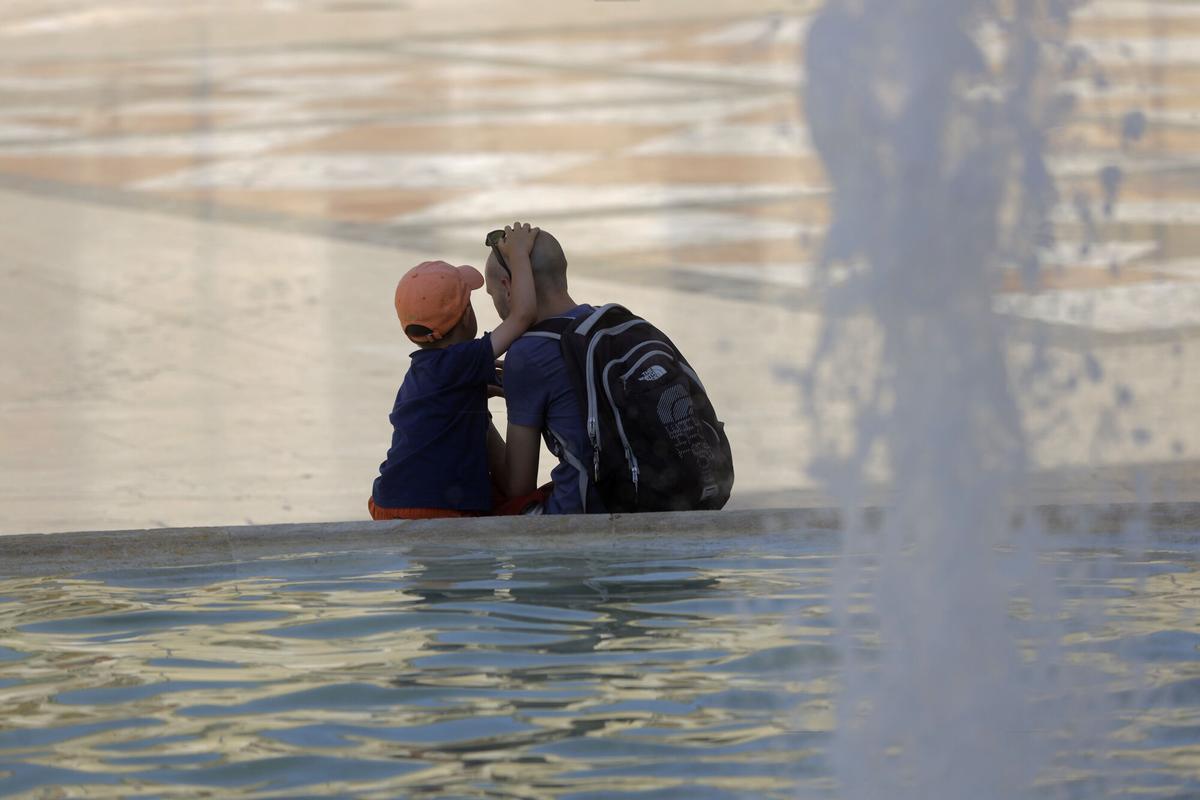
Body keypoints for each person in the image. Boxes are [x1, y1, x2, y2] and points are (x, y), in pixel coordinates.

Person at [369, 222, 539, 520]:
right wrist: (519, 255)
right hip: (433, 506)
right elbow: (523, 315)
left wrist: (477, 395)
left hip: (390, 497)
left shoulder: (423, 368)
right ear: (466, 318)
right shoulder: (462, 359)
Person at [483, 228, 606, 515]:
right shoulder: (604, 322)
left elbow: (517, 487)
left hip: (586, 514)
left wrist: (477, 412)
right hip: (647, 492)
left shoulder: (528, 354)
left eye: (492, 293)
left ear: (509, 287)